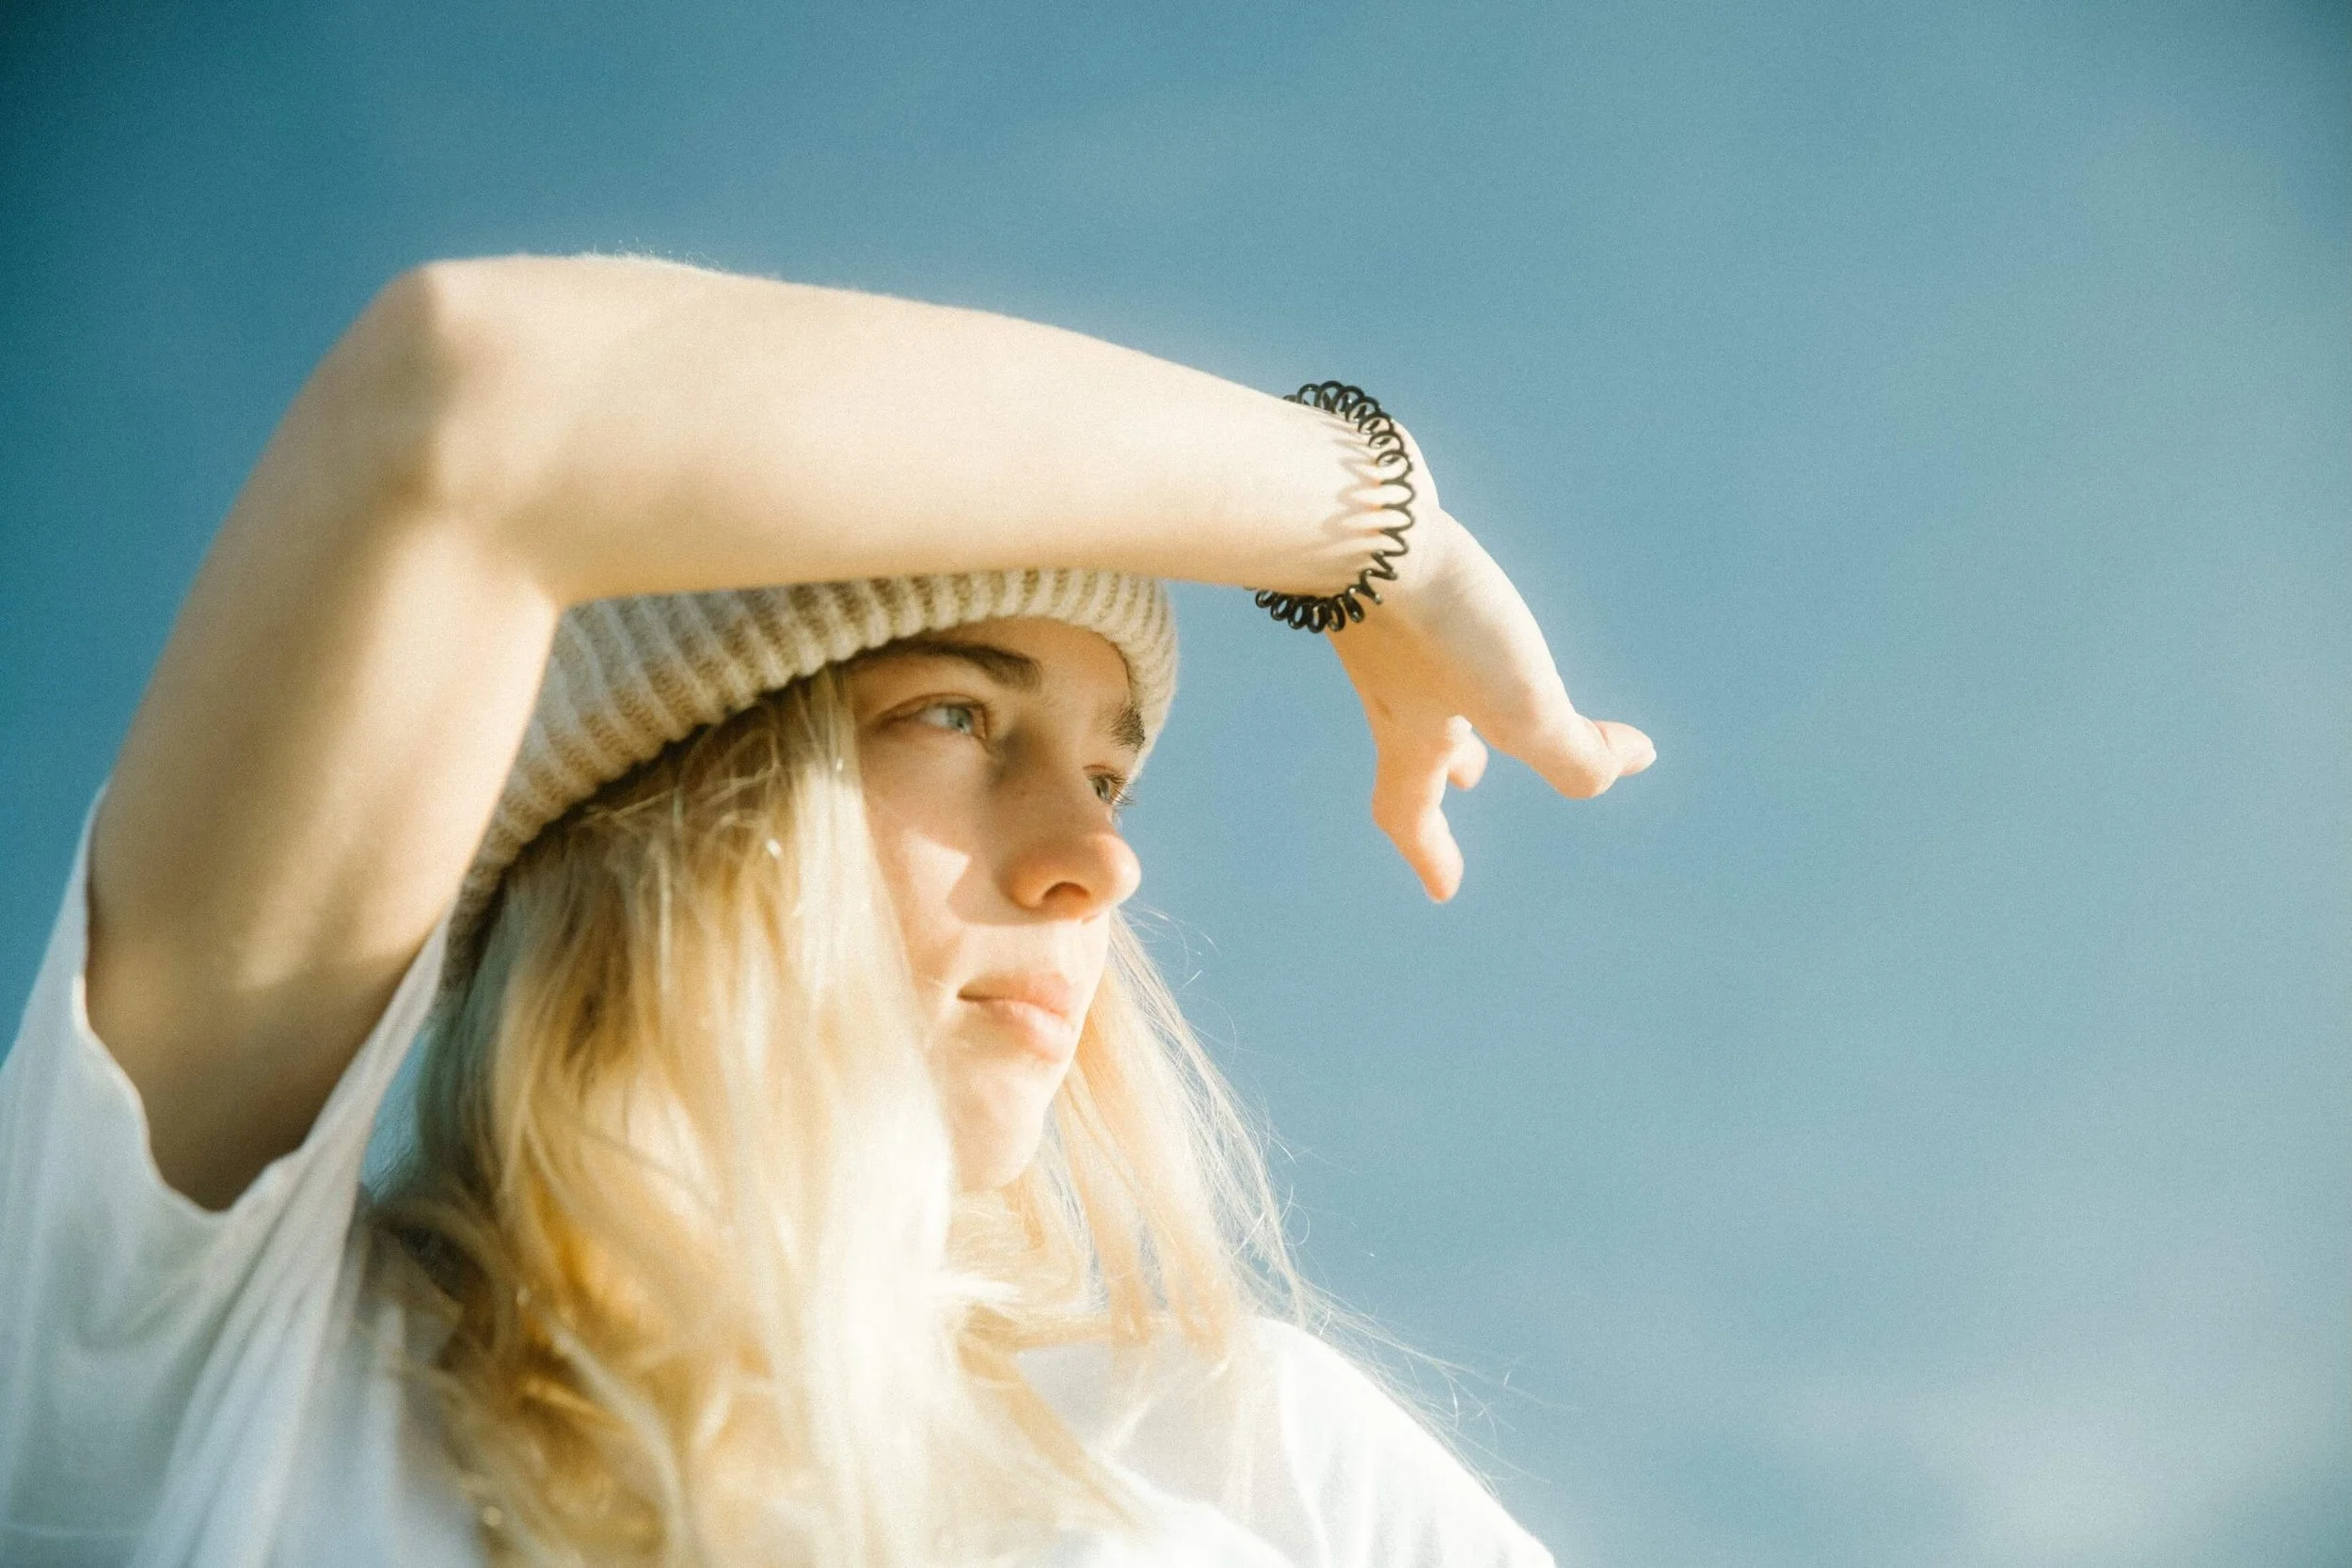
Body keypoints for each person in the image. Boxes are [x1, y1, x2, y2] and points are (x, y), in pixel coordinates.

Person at [0, 252, 1655, 1567]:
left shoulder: (1258, 1450)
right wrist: (1384, 529)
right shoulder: (211, 1349)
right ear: (650, 801)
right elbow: (471, 398)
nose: (1099, 861)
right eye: (958, 716)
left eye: (1111, 774)